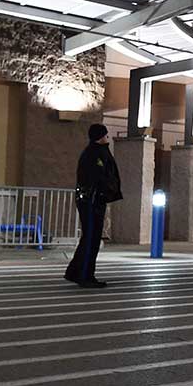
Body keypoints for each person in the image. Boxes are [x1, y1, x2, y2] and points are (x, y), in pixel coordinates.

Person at [67, 123, 121, 287]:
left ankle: (75, 272)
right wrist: (106, 191)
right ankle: (85, 275)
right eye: (105, 135)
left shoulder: (97, 152)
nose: (107, 137)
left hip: (94, 200)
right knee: (91, 239)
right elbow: (98, 177)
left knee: (90, 238)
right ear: (100, 136)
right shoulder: (94, 154)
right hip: (91, 201)